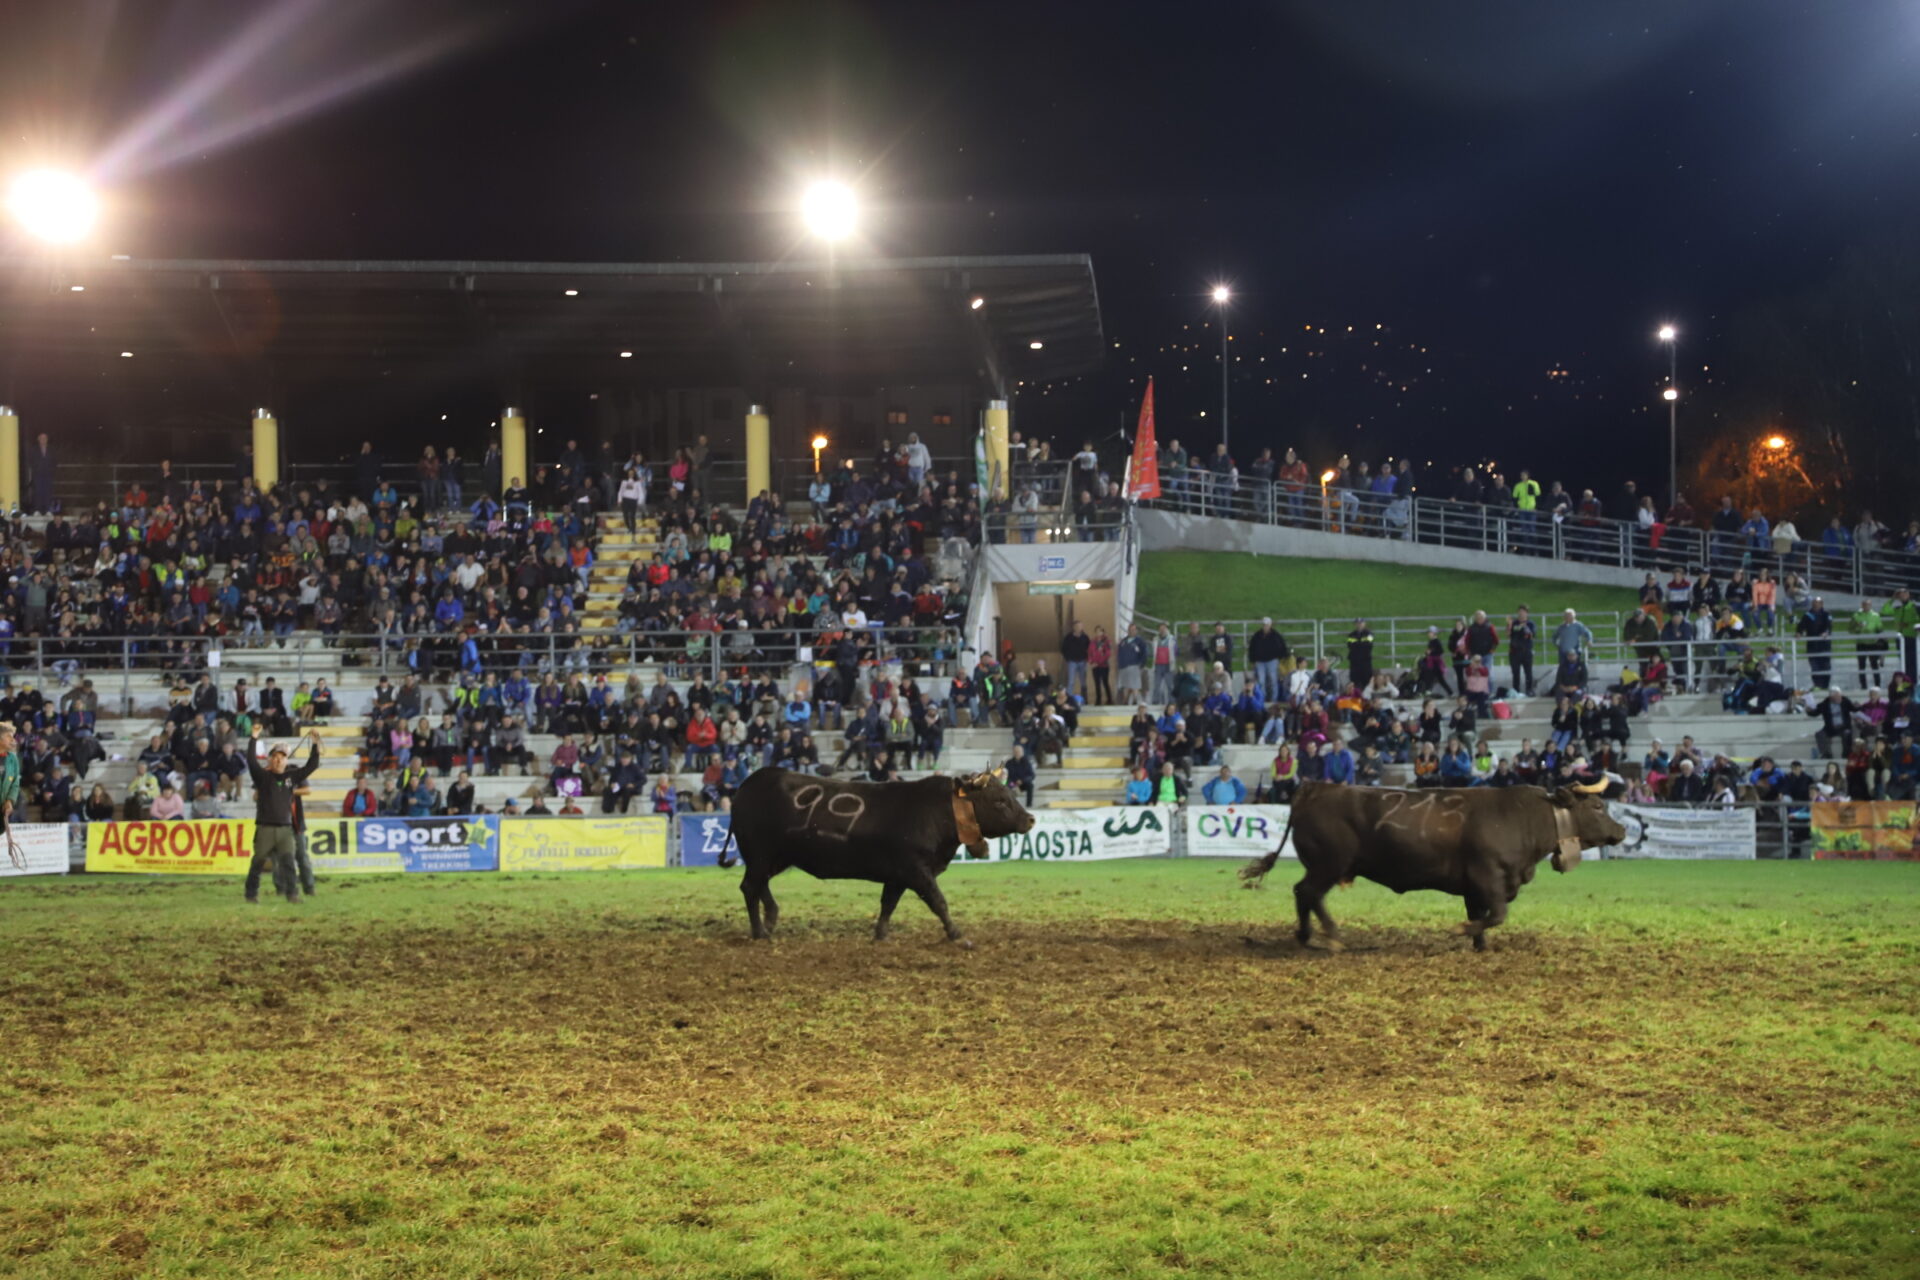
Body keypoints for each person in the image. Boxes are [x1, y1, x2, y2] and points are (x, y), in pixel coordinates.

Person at [244, 729, 323, 905]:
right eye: (275, 757)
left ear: (286, 760)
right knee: (258, 862)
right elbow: (250, 760)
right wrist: (253, 738)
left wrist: (316, 745)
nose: (279, 759)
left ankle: (292, 894)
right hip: (265, 827)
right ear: (270, 759)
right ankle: (251, 894)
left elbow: (312, 765)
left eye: (282, 757)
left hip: (285, 828)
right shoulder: (262, 777)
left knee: (288, 862)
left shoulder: (291, 777)